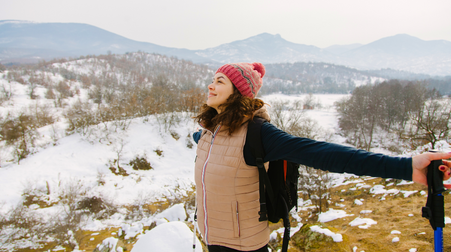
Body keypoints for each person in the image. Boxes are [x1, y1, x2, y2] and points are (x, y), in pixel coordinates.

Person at [192, 62, 451, 252]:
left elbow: (325, 154)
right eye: (213, 79)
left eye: (220, 81)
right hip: (211, 238)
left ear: (238, 92)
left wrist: (406, 167)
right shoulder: (209, 131)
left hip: (242, 245)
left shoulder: (259, 134)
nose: (211, 85)